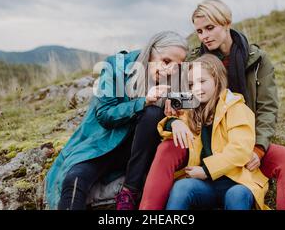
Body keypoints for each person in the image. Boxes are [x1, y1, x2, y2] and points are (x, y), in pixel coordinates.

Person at [140, 0, 285, 210]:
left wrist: (258, 149)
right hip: (202, 132)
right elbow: (178, 99)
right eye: (199, 31)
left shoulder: (257, 60)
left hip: (243, 136)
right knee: (167, 148)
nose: (204, 36)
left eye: (210, 28)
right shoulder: (194, 59)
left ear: (227, 23)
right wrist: (174, 118)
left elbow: (267, 109)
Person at [44, 31, 188, 210]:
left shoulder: (178, 77)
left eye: (178, 65)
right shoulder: (117, 67)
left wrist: (175, 113)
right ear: (151, 52)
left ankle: (129, 192)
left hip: (140, 149)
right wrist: (143, 102)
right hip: (102, 144)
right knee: (75, 178)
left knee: (152, 114)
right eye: (166, 61)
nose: (171, 70)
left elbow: (191, 104)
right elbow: (105, 114)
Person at [161, 54, 269, 210]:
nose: (196, 88)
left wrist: (206, 170)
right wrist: (174, 122)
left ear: (217, 80)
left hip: (237, 181)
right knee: (182, 187)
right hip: (206, 185)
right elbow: (165, 128)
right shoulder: (193, 110)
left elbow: (240, 150)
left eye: (202, 81)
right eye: (191, 84)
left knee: (237, 195)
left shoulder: (237, 108)